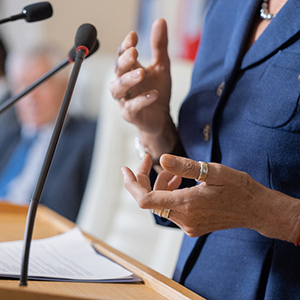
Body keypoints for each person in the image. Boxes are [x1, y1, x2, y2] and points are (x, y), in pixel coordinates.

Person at [110, 0, 300, 299]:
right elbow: (206, 190)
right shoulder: (225, 7)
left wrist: (270, 213)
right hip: (190, 285)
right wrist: (157, 128)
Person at [0, 47, 97, 222]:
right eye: (21, 85)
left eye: (41, 84)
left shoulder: (88, 138)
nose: (30, 96)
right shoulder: (7, 136)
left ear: (66, 88)